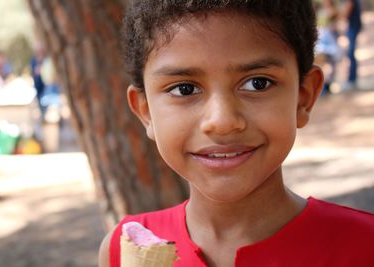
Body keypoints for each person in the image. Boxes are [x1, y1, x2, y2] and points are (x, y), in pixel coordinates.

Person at [99, 1, 374, 266]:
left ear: (303, 98)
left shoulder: (365, 247)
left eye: (258, 83)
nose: (222, 121)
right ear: (145, 111)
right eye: (184, 89)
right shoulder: (122, 250)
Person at [342, 0, 362, 90]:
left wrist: (337, 16)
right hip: (354, 25)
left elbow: (348, 7)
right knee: (350, 53)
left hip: (353, 26)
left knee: (351, 53)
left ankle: (352, 79)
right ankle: (352, 79)